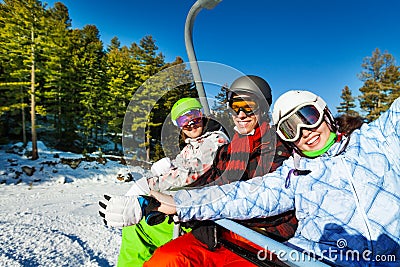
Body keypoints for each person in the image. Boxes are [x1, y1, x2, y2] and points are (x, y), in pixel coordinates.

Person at [148, 91, 400, 266]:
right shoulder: (295, 173)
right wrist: (179, 202)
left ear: (325, 112)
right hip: (317, 261)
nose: (305, 132)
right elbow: (243, 194)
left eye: (308, 118)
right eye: (291, 129)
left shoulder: (378, 139)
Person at [143, 75, 297, 266]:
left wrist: (187, 205)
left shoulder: (278, 148)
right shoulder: (229, 150)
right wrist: (160, 198)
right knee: (164, 260)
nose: (241, 114)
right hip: (220, 233)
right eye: (235, 106)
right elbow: (207, 181)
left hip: (259, 241)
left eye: (248, 106)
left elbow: (262, 197)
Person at [99, 97, 229, 266]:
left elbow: (190, 173)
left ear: (202, 115)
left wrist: (147, 186)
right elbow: (183, 165)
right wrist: (169, 165)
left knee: (137, 229)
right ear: (179, 126)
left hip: (199, 217)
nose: (191, 123)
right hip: (185, 207)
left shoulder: (215, 140)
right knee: (136, 227)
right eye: (184, 120)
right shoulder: (194, 144)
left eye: (194, 116)